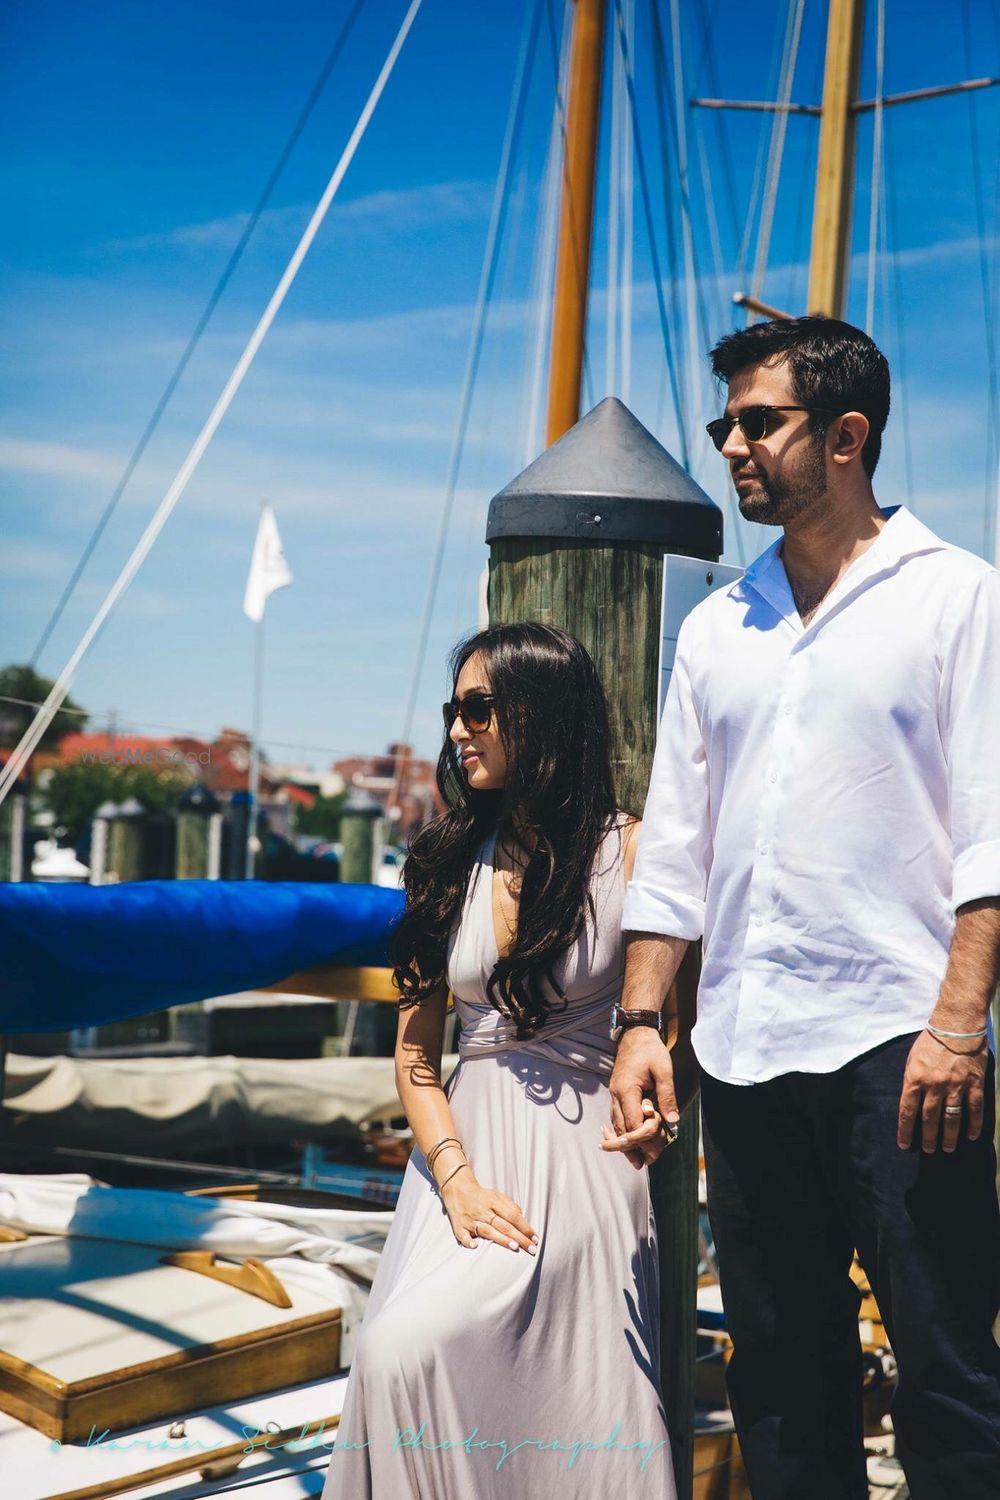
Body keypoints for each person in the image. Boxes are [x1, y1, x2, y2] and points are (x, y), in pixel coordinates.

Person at [604, 316, 1000, 1499]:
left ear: (844, 436)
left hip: (902, 1042)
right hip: (739, 1040)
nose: (729, 444)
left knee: (946, 1367)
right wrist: (639, 1025)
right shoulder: (716, 627)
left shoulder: (958, 598)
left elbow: (992, 836)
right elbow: (673, 847)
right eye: (723, 423)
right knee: (777, 1367)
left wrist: (959, 1024)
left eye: (756, 422)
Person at [321, 622, 684, 1500]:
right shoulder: (445, 861)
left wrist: (660, 1105)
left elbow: (675, 1030)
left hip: (586, 1170)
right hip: (463, 1163)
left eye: (479, 709)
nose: (457, 730)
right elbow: (415, 1057)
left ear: (542, 715)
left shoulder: (632, 851)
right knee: (397, 1349)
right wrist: (457, 1183)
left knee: (571, 1412)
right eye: (454, 710)